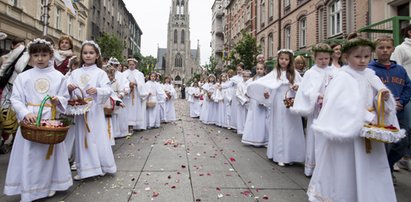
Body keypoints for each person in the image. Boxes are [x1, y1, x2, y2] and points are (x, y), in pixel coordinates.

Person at [307, 35, 397, 201]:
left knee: (369, 167)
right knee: (347, 166)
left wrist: (384, 98)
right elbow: (340, 104)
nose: (362, 61)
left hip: (369, 128)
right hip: (349, 132)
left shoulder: (371, 75)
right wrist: (365, 116)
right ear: (346, 57)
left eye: (366, 56)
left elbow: (382, 99)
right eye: (357, 57)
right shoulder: (343, 77)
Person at [4, 38, 72, 201]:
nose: (40, 59)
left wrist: (58, 100)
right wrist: (25, 112)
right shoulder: (24, 76)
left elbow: (65, 97)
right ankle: (28, 187)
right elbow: (16, 98)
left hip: (49, 120)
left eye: (43, 55)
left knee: (47, 156)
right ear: (31, 57)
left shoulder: (58, 77)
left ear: (50, 55)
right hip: (30, 120)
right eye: (36, 55)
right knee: (29, 154)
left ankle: (48, 185)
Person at [67, 40, 117, 180]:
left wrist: (97, 90)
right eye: (85, 53)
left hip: (94, 110)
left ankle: (99, 166)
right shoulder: (75, 73)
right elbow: (66, 88)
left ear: (97, 56)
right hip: (80, 110)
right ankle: (84, 169)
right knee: (81, 138)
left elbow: (107, 90)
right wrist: (69, 89)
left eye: (91, 53)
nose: (88, 55)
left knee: (95, 137)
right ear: (81, 55)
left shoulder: (100, 73)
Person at [247, 49, 305, 166]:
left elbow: (302, 84)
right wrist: (267, 92)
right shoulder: (275, 73)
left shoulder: (294, 73)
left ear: (290, 61)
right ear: (278, 60)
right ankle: (280, 155)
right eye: (281, 59)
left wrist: (296, 86)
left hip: (291, 102)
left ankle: (291, 155)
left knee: (291, 127)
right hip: (278, 102)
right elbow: (268, 84)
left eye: (286, 59)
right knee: (279, 127)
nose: (283, 61)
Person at [369, 35, 411, 181]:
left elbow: (408, 86)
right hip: (381, 111)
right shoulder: (370, 69)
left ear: (393, 49)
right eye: (381, 48)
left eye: (388, 48)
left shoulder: (399, 69)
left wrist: (403, 101)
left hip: (400, 110)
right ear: (375, 50)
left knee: (403, 141)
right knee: (383, 144)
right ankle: (384, 173)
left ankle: (389, 164)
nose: (385, 51)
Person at [291, 43, 336, 177]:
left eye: (326, 58)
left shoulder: (333, 72)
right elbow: (306, 89)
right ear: (315, 58)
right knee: (314, 137)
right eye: (320, 59)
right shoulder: (311, 73)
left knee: (328, 138)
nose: (323, 61)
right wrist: (317, 96)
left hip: (330, 110)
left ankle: (327, 167)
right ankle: (312, 166)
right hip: (317, 110)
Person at [391, 24, 411, 171]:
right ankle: (397, 158)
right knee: (405, 127)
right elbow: (396, 71)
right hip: (406, 93)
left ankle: (406, 157)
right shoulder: (401, 49)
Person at [242, 63, 268, 146]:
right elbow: (246, 89)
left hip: (263, 103)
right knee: (253, 119)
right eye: (257, 69)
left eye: (261, 69)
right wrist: (248, 94)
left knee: (262, 120)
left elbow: (268, 89)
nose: (259, 70)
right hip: (253, 102)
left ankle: (263, 139)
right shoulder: (252, 80)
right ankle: (252, 139)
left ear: (264, 70)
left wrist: (264, 99)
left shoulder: (266, 79)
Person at [122, 58, 147, 132]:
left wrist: (136, 84)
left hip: (135, 93)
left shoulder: (139, 74)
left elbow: (142, 84)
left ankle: (132, 125)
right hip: (128, 94)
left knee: (134, 109)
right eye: (130, 64)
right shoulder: (124, 73)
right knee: (127, 109)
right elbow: (123, 82)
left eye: (133, 64)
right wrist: (129, 85)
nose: (131, 66)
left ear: (135, 65)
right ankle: (126, 125)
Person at [235, 70, 251, 135]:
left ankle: (248, 132)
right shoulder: (239, 84)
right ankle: (242, 131)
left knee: (248, 118)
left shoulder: (251, 83)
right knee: (242, 118)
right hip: (242, 104)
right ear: (242, 76)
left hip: (250, 103)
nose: (246, 78)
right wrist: (244, 100)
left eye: (248, 76)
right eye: (244, 76)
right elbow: (237, 94)